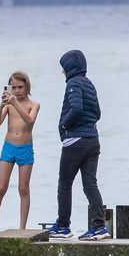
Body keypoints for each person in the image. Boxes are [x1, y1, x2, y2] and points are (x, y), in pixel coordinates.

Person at [46, 50, 108, 241]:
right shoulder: (89, 84)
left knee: (64, 184)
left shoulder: (73, 84)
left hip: (75, 141)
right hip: (92, 140)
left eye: (63, 68)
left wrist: (65, 123)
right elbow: (97, 113)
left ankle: (63, 226)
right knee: (90, 184)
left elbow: (76, 108)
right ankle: (99, 226)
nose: (62, 72)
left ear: (69, 68)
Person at [0, 71, 40, 238]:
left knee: (23, 189)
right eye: (14, 87)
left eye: (20, 87)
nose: (17, 91)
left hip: (25, 148)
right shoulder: (9, 105)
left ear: (27, 87)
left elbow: (30, 122)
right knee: (1, 187)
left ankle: (22, 227)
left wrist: (15, 103)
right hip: (8, 148)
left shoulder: (33, 104)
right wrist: (2, 105)